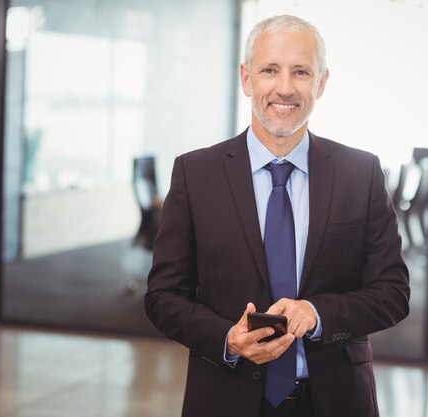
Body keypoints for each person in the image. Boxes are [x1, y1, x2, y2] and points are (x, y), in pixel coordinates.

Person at [144, 14, 410, 417]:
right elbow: (163, 297)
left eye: (301, 72)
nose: (285, 88)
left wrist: (317, 313)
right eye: (270, 70)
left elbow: (392, 292)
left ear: (320, 83)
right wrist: (227, 339)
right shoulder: (195, 174)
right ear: (247, 78)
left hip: (337, 402)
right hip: (225, 398)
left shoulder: (362, 173)